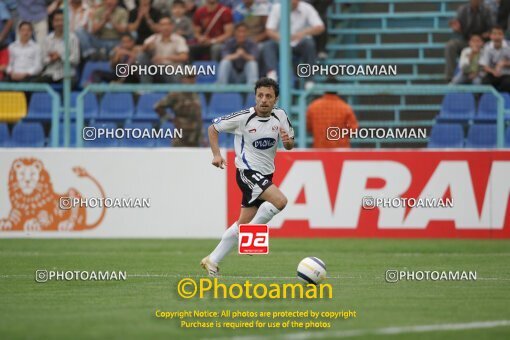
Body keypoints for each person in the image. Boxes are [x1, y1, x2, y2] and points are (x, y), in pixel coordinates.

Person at [201, 77, 294, 277]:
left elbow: (290, 143)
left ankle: (212, 260)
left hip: (266, 173)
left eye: (268, 96)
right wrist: (217, 154)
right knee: (280, 201)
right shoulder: (244, 118)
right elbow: (213, 128)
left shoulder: (281, 116)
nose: (264, 100)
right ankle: (250, 238)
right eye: (260, 95)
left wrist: (287, 142)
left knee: (242, 223)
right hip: (247, 172)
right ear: (255, 97)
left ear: (275, 99)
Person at [262, 0, 324, 83]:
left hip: (300, 43)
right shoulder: (277, 8)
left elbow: (320, 27)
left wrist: (303, 33)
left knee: (309, 43)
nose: (294, 2)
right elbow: (269, 30)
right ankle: (271, 75)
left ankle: (309, 80)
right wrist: (282, 38)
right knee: (268, 45)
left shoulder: (307, 8)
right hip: (281, 42)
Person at [445, 0, 493, 81]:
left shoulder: (487, 10)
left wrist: (484, 36)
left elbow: (492, 28)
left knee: (491, 48)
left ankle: (487, 76)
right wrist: (457, 29)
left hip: (482, 42)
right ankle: (449, 77)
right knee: (451, 45)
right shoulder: (462, 10)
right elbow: (457, 28)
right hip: (467, 40)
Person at [306, 78, 359, 148]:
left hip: (320, 149)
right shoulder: (345, 108)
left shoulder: (313, 107)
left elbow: (308, 127)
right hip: (341, 151)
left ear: (324, 88)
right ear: (337, 89)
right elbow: (354, 129)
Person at [154, 74, 203, 147]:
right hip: (181, 135)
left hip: (195, 136)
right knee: (177, 157)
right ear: (183, 79)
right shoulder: (176, 93)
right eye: (189, 77)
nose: (191, 80)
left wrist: (202, 135)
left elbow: (198, 115)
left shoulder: (196, 93)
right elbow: (158, 106)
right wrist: (170, 118)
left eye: (193, 77)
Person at [137, 16, 189, 83]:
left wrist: (165, 58)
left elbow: (184, 57)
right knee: (142, 56)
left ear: (172, 26)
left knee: (176, 71)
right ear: (159, 27)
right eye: (162, 25)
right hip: (156, 70)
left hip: (172, 69)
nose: (165, 27)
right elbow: (140, 54)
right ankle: (146, 88)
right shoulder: (153, 38)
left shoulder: (179, 39)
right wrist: (147, 48)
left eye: (167, 24)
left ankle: (175, 92)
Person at [39, 10, 80, 85]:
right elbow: (42, 60)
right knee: (34, 83)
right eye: (57, 20)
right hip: (50, 73)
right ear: (52, 23)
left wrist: (60, 57)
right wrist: (51, 59)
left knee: (70, 84)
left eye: (62, 20)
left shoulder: (73, 38)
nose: (60, 23)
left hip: (67, 74)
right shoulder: (47, 39)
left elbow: (76, 59)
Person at [480, 25, 510, 91]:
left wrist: (504, 63)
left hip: (506, 74)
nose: (497, 37)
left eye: (500, 34)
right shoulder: (487, 47)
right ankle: (479, 101)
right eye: (494, 34)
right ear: (490, 36)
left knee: (507, 83)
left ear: (503, 36)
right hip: (492, 74)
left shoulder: (508, 46)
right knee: (484, 82)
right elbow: (484, 65)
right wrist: (493, 71)